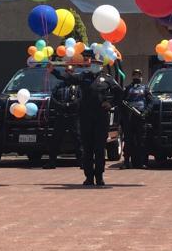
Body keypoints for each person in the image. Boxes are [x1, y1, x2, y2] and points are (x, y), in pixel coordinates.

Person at [52, 56, 122, 187]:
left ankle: (99, 177)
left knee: (100, 149)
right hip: (85, 118)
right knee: (87, 149)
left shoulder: (107, 79)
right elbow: (68, 78)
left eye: (98, 64)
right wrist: (53, 71)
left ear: (101, 66)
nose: (95, 65)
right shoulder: (83, 76)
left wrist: (110, 103)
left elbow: (119, 93)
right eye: (93, 63)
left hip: (101, 118)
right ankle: (89, 177)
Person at [45, 69, 80, 170]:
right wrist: (61, 105)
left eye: (70, 72)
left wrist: (69, 105)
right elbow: (53, 98)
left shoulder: (78, 87)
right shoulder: (59, 86)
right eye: (66, 71)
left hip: (73, 116)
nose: (68, 73)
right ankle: (51, 162)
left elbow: (80, 99)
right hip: (61, 116)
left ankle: (81, 162)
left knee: (78, 139)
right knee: (55, 139)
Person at [121, 69, 151, 169]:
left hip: (141, 117)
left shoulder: (145, 89)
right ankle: (126, 162)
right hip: (129, 118)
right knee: (128, 140)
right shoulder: (127, 88)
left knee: (142, 140)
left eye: (138, 75)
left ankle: (142, 162)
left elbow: (151, 102)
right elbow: (122, 102)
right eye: (135, 75)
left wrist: (145, 113)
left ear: (141, 77)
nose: (136, 77)